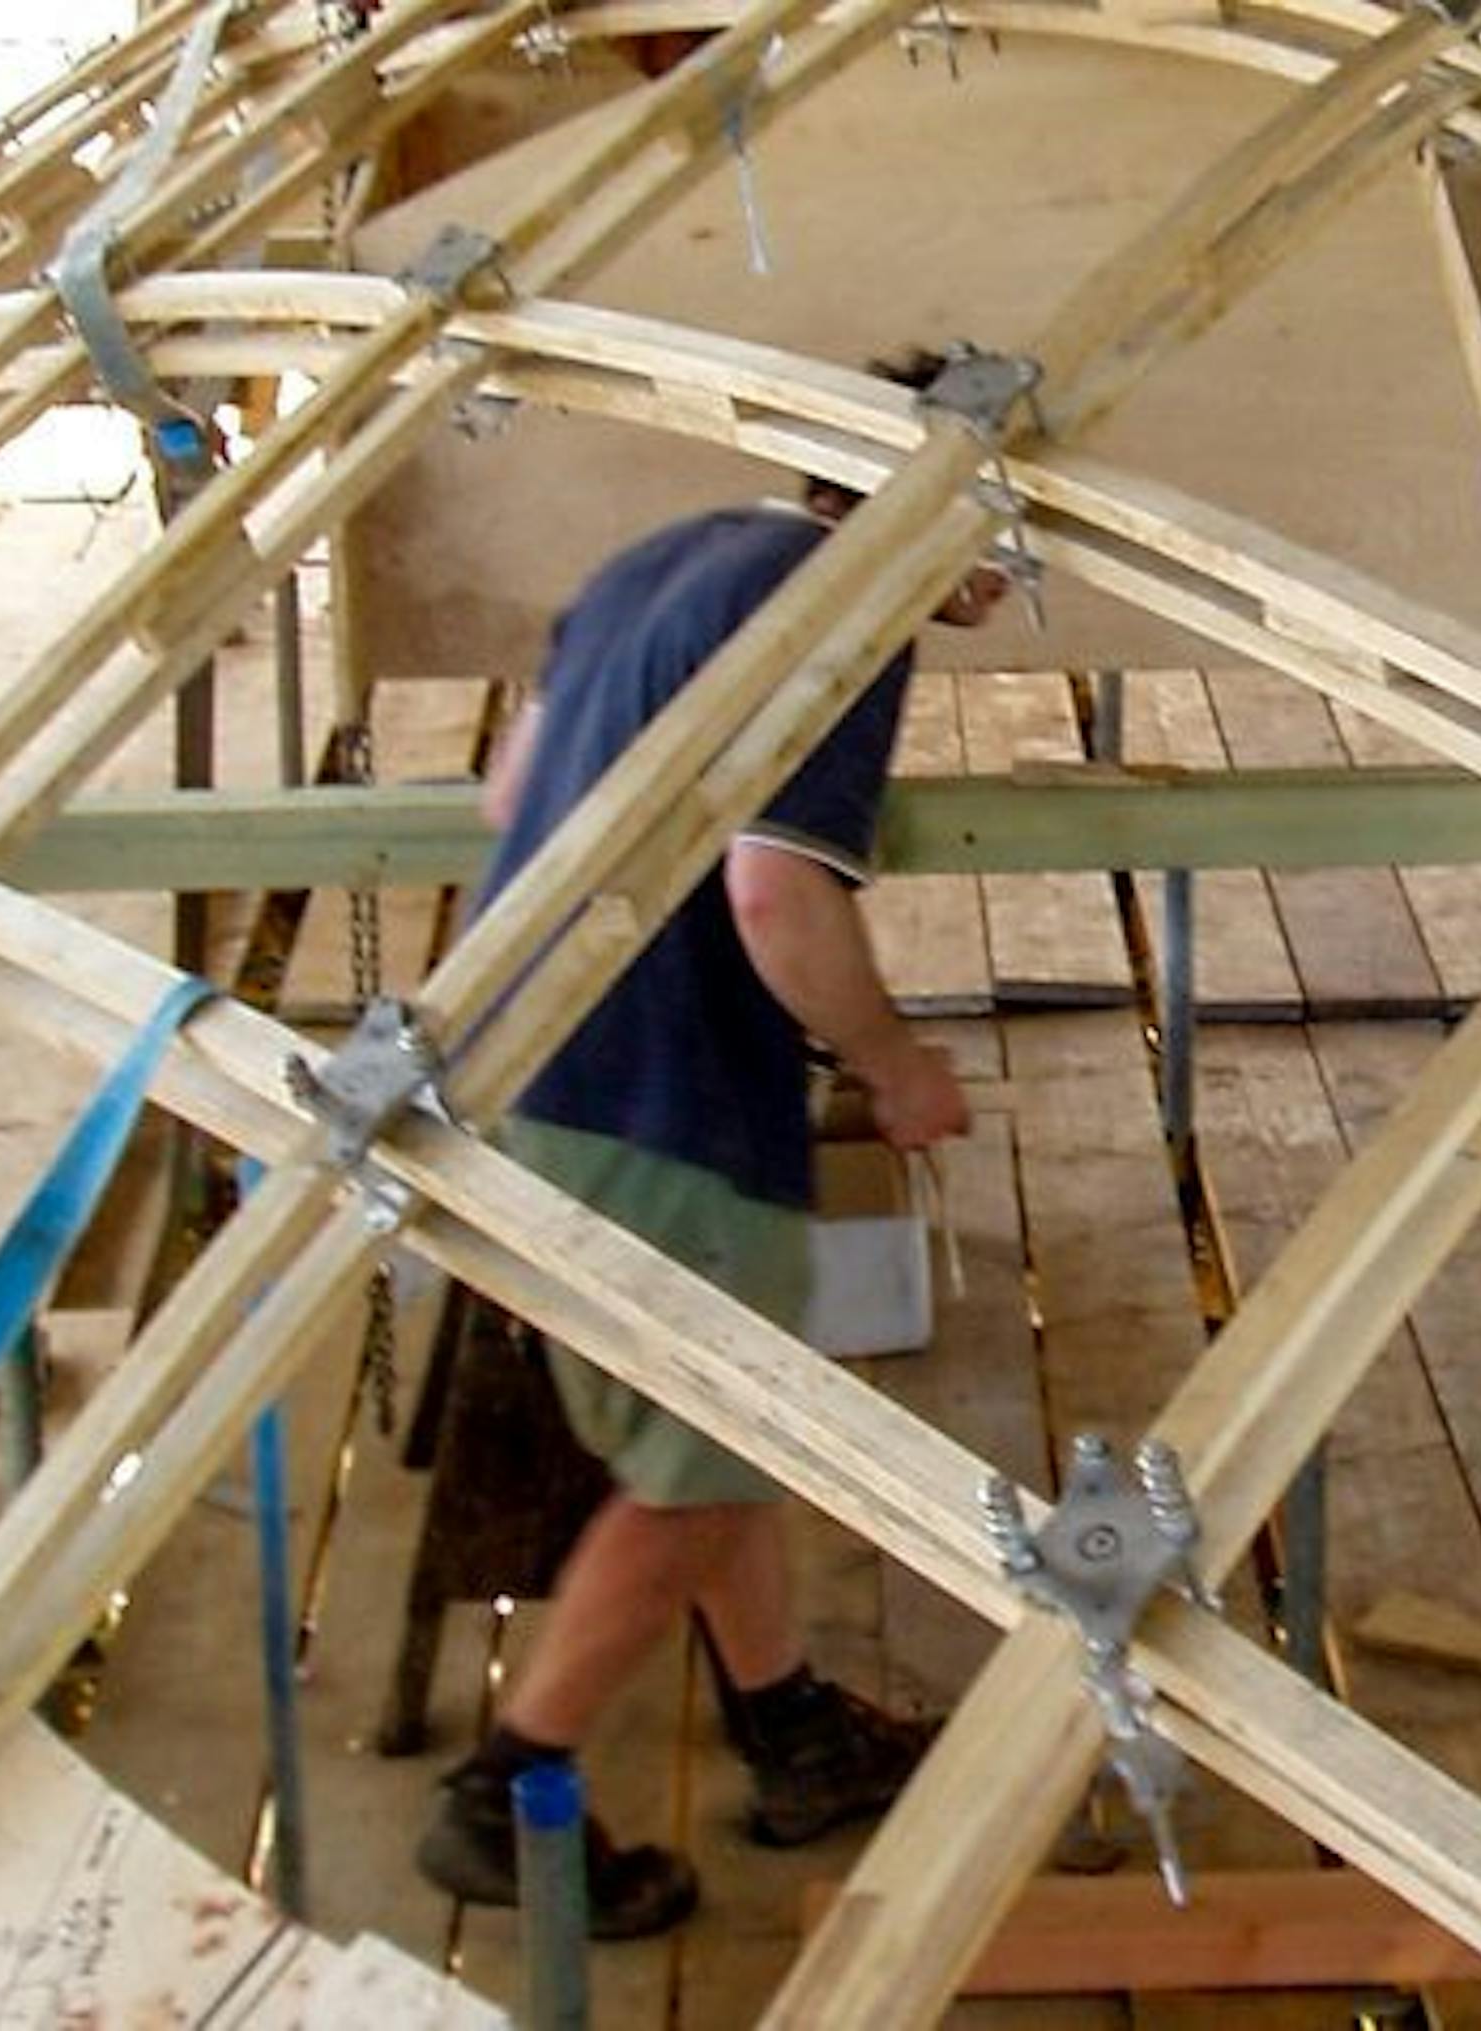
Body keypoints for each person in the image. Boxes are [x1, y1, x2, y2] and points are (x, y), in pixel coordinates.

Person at [416, 434, 1011, 1938]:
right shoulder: (842, 609)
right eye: (1001, 543)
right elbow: (773, 890)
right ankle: (505, 1785)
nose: (1001, 583)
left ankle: (791, 1726)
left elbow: (508, 795)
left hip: (520, 1056)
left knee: (715, 1435)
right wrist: (892, 1060)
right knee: (700, 1470)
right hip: (656, 1085)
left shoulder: (662, 560)